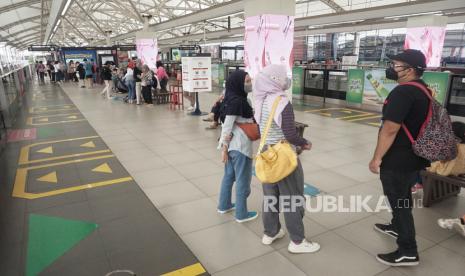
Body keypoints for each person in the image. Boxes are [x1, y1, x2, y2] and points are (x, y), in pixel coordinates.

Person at [369, 49, 431, 266]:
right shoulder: (423, 89)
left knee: (399, 202)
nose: (392, 68)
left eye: (396, 65)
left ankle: (408, 250)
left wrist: (376, 158)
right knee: (402, 196)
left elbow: (390, 130)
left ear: (410, 70)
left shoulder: (403, 92)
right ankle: (396, 227)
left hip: (398, 159)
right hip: (414, 157)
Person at [254, 64, 319, 254]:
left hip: (266, 154)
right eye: (284, 77)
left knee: (270, 197)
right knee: (292, 199)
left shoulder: (261, 99)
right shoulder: (282, 102)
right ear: (276, 79)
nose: (286, 80)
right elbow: (290, 134)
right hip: (283, 157)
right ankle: (297, 242)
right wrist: (304, 143)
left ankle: (270, 232)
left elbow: (261, 129)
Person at [217, 70, 258, 223]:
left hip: (232, 147)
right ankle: (241, 214)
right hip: (240, 148)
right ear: (238, 83)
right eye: (247, 81)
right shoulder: (238, 101)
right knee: (243, 180)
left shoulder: (230, 98)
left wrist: (225, 147)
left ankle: (224, 205)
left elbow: (226, 125)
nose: (249, 83)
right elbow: (227, 126)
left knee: (229, 176)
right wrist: (224, 149)